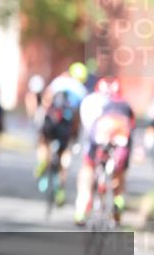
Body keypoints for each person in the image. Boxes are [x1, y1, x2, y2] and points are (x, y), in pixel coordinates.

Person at [74, 77, 135, 226]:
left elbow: (88, 126)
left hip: (101, 131)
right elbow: (132, 126)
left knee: (88, 166)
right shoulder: (125, 104)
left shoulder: (94, 101)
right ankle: (118, 201)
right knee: (119, 172)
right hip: (122, 134)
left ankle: (83, 203)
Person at [34, 62, 88, 206]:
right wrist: (75, 136)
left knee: (43, 141)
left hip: (51, 122)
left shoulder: (59, 81)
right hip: (67, 126)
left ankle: (42, 162)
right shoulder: (82, 90)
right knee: (66, 154)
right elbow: (80, 117)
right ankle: (61, 189)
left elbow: (46, 100)